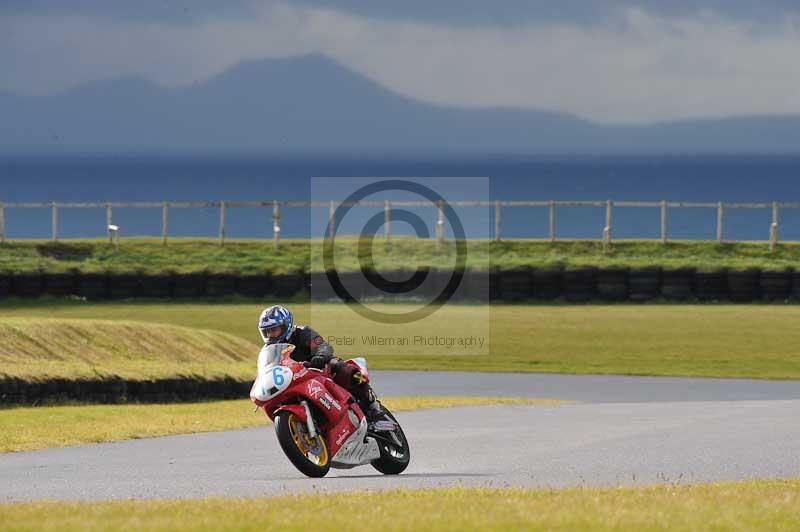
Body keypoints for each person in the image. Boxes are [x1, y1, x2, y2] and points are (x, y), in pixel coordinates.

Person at [257, 305, 384, 422]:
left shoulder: (302, 332)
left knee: (344, 369)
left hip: (319, 370)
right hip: (295, 382)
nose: (270, 335)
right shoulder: (268, 352)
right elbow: (267, 371)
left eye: (274, 330)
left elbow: (322, 345)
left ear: (286, 325)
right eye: (267, 332)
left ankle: (372, 404)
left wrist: (320, 356)